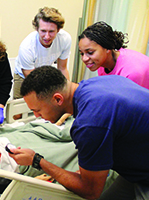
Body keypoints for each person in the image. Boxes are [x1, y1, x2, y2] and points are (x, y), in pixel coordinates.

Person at [9, 65, 149, 199]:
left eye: (37, 111)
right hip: (137, 167)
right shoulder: (98, 83)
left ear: (58, 99)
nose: (37, 116)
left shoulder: (90, 124)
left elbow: (90, 191)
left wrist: (37, 160)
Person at [13, 7, 71, 100]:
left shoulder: (65, 39)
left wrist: (67, 91)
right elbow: (31, 77)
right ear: (37, 29)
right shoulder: (27, 47)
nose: (47, 36)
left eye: (51, 31)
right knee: (19, 111)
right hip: (24, 76)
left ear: (58, 30)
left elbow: (62, 68)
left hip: (45, 73)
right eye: (43, 31)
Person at [79, 21, 149, 89]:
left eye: (90, 52)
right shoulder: (101, 64)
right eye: (82, 53)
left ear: (107, 48)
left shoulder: (131, 72)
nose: (84, 59)